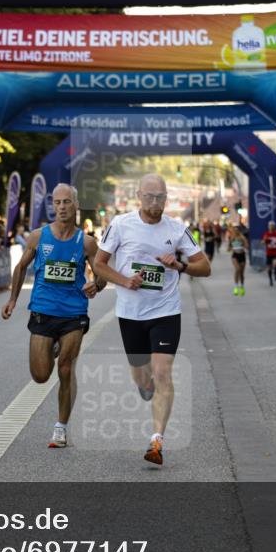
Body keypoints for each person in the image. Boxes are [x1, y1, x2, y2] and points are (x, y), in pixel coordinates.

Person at [92, 173, 211, 465]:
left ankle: (156, 440)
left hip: (165, 311)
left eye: (160, 197)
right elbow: (99, 264)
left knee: (163, 373)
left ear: (166, 198)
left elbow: (204, 267)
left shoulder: (177, 229)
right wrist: (124, 281)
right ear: (139, 197)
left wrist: (180, 265)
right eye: (149, 197)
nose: (155, 202)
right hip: (130, 314)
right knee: (141, 374)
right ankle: (143, 385)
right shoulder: (120, 225)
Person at [2, 183, 105, 448]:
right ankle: (54, 346)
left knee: (66, 368)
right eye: (57, 203)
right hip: (43, 310)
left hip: (74, 312)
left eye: (66, 202)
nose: (61, 207)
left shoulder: (87, 243)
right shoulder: (38, 237)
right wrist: (13, 299)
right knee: (40, 375)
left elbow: (102, 273)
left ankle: (61, 427)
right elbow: (21, 267)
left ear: (75, 206)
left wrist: (97, 284)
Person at [229, 225, 249, 296]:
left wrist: (243, 246)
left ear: (239, 231)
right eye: (234, 230)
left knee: (241, 273)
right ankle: (235, 287)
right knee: (237, 269)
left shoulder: (242, 238)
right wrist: (231, 247)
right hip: (235, 256)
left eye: (237, 230)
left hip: (242, 255)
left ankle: (242, 286)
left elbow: (247, 246)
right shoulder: (232, 238)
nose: (236, 231)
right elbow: (229, 248)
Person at [262, 220, 276, 286]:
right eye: (270, 226)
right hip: (269, 253)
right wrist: (265, 240)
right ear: (268, 227)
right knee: (269, 268)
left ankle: (275, 273)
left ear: (274, 226)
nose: (271, 227)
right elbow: (262, 242)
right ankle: (270, 280)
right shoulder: (266, 234)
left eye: (272, 226)